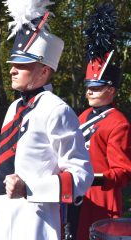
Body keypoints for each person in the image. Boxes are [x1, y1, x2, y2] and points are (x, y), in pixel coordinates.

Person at [0, 1, 94, 240]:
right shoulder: (12, 108)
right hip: (0, 221)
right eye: (12, 64)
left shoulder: (57, 109)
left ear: (44, 71)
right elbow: (17, 166)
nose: (12, 70)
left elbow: (82, 175)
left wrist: (30, 189)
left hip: (37, 224)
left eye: (22, 64)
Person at [76, 3, 131, 240]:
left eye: (96, 88)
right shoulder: (81, 116)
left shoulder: (118, 123)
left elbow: (123, 172)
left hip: (101, 198)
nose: (90, 92)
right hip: (74, 194)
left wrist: (94, 178)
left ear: (111, 90)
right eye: (88, 87)